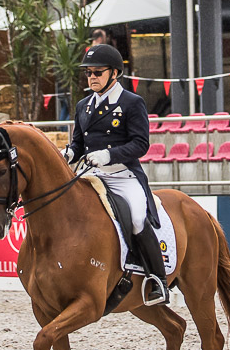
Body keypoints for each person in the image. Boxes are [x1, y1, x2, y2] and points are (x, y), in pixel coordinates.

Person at [64, 44, 169, 305]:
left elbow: (140, 144)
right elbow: (78, 143)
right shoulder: (83, 106)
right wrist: (68, 153)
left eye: (97, 72)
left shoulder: (132, 102)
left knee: (137, 218)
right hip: (92, 175)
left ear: (114, 73)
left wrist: (109, 155)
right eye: (88, 73)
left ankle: (158, 280)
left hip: (123, 176)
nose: (92, 77)